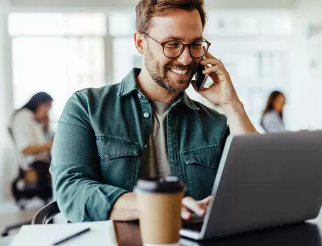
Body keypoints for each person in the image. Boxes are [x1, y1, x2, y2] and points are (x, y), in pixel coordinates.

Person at [50, 0, 257, 223]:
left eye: (195, 44)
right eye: (172, 44)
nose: (186, 58)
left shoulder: (214, 124)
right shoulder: (87, 107)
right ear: (140, 43)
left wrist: (231, 104)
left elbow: (260, 183)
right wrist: (158, 206)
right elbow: (71, 189)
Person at [11, 92, 54, 200]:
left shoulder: (34, 119)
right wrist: (50, 145)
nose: (47, 112)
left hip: (41, 159)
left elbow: (41, 141)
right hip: (33, 162)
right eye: (47, 107)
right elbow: (26, 149)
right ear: (39, 103)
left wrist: (45, 126)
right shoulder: (23, 116)